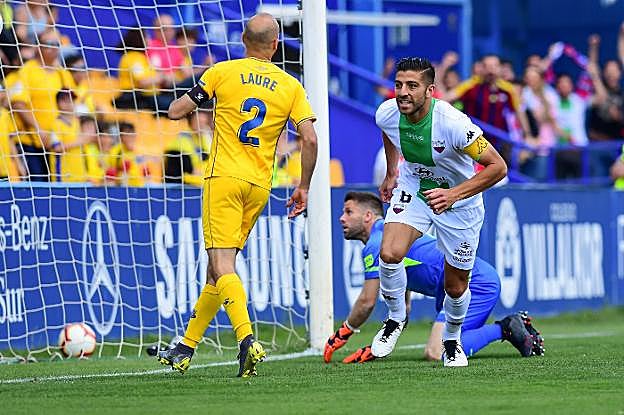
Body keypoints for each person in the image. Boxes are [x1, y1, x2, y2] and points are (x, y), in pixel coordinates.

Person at [157, 12, 318, 378]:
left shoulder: (222, 72)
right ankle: (185, 347)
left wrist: (188, 100)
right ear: (275, 45)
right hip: (259, 185)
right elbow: (309, 138)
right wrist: (304, 186)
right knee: (217, 270)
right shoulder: (291, 85)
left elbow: (176, 111)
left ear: (243, 41)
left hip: (224, 178)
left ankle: (247, 341)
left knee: (221, 264)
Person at [372, 57, 507, 367]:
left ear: (430, 90)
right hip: (416, 189)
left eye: (412, 86)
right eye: (398, 85)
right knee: (390, 253)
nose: (403, 92)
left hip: (460, 202)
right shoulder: (387, 112)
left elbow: (498, 167)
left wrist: (452, 195)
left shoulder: (453, 124)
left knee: (455, 286)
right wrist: (392, 172)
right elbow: (388, 132)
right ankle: (395, 319)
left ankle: (452, 340)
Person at [324, 192, 544, 364]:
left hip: (475, 283)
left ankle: (506, 327)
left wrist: (344, 332)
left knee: (438, 352)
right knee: (445, 344)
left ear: (368, 216)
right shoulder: (391, 237)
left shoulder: (376, 244)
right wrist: (376, 349)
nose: (341, 218)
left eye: (348, 212)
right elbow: (402, 309)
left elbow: (367, 301)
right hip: (454, 288)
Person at [10, 28, 76, 181]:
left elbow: (73, 103)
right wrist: (38, 128)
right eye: (49, 44)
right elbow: (18, 103)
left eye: (57, 44)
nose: (53, 48)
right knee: (37, 187)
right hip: (31, 142)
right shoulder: (27, 71)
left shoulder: (63, 73)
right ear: (38, 47)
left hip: (56, 143)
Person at [48, 89, 95, 182]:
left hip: (81, 176)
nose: (70, 103)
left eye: (72, 100)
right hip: (63, 177)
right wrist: (80, 141)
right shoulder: (56, 124)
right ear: (59, 103)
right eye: (66, 100)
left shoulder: (78, 122)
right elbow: (57, 147)